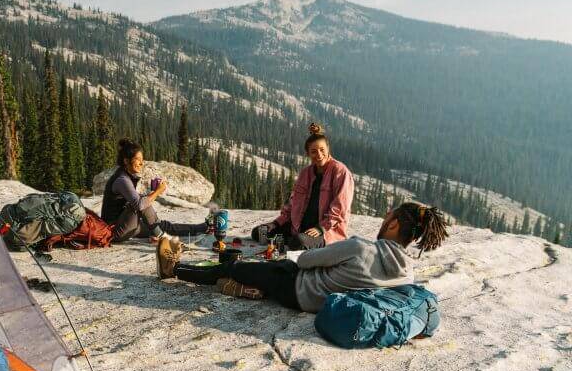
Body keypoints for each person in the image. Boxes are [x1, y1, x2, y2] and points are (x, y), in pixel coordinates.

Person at [158, 202, 449, 313]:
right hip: (323, 300)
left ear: (395, 225)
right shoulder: (407, 272)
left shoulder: (362, 247)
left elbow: (308, 261)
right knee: (262, 269)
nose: (385, 218)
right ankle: (246, 287)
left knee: (236, 266)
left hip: (298, 290)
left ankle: (175, 270)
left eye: (390, 215)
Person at [253, 123, 354, 251]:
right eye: (314, 151)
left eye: (322, 150)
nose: (319, 154)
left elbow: (340, 210)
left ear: (328, 149)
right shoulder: (305, 173)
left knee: (298, 242)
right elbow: (292, 203)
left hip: (326, 231)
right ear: (307, 154)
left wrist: (320, 228)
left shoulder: (341, 172)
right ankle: (287, 238)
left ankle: (291, 240)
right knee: (258, 232)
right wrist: (276, 223)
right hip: (298, 227)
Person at [101, 139, 209, 243]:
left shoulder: (126, 176)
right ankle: (161, 236)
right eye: (138, 159)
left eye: (142, 159)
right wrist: (157, 192)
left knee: (159, 226)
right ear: (126, 161)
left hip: (124, 225)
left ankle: (201, 228)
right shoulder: (122, 179)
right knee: (143, 203)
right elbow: (139, 205)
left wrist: (151, 194)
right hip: (115, 231)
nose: (141, 163)